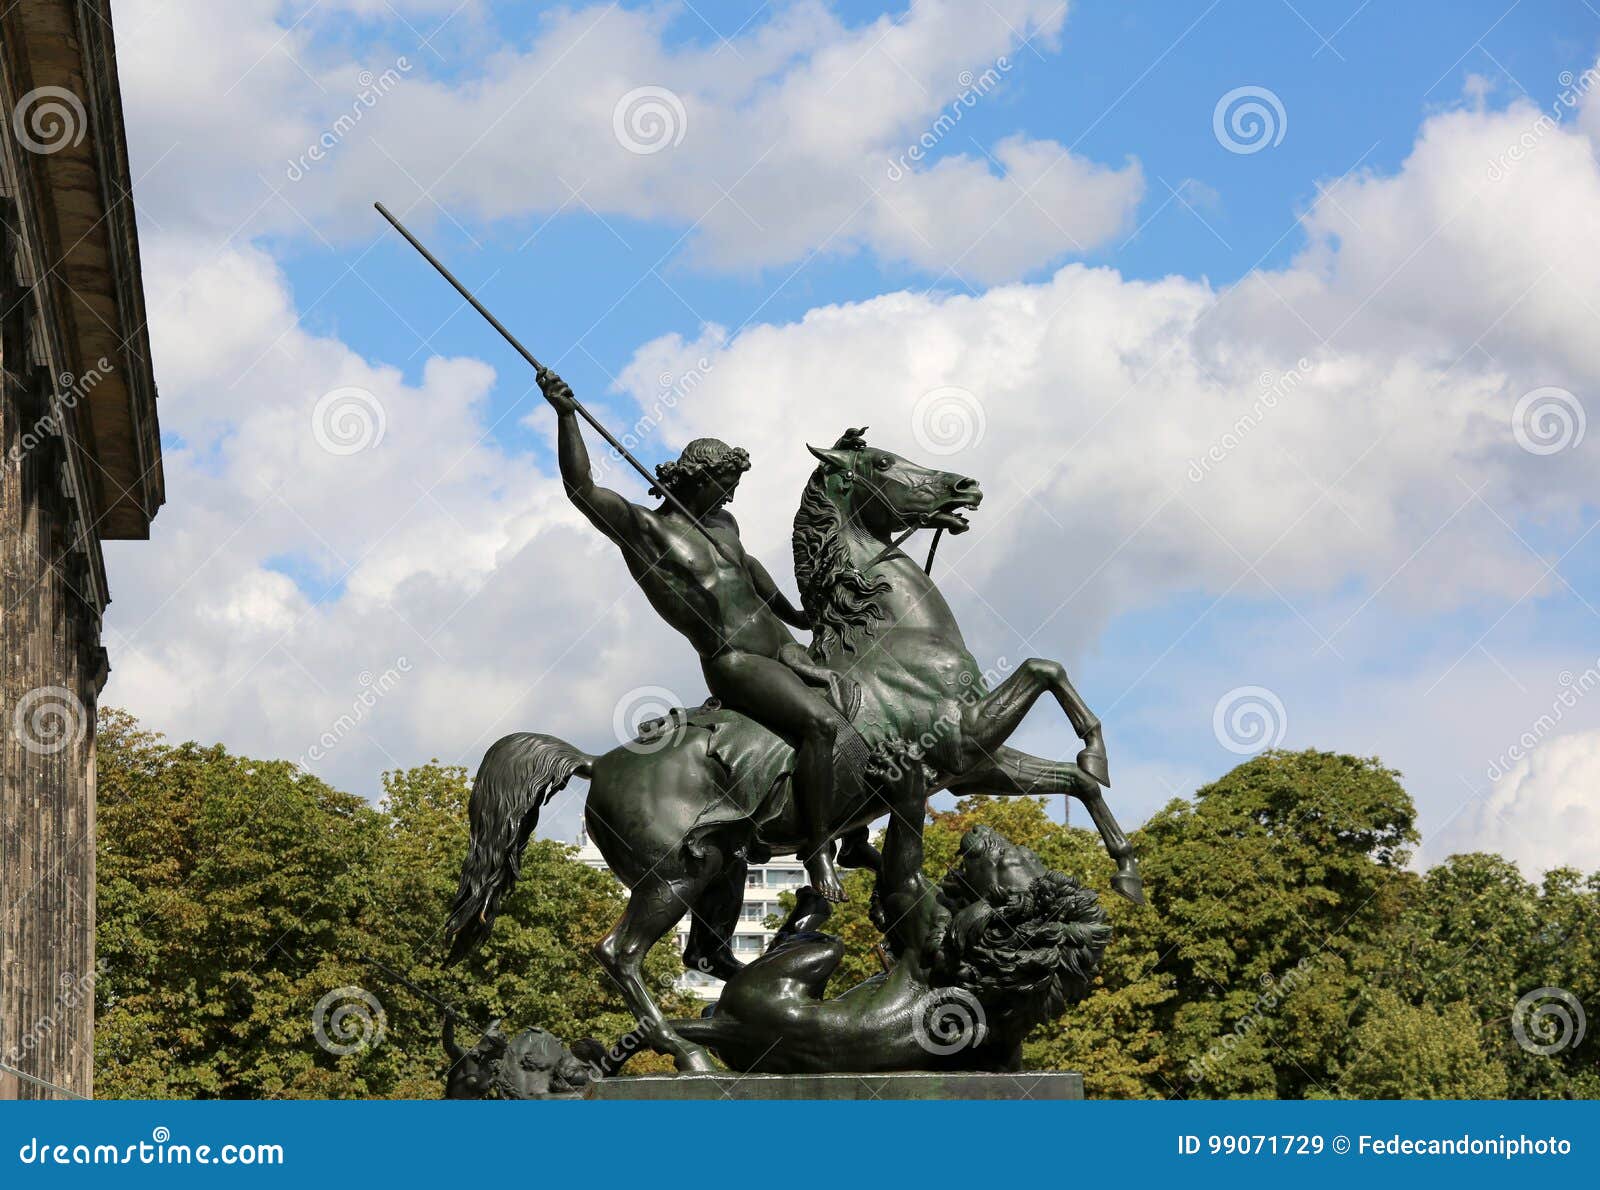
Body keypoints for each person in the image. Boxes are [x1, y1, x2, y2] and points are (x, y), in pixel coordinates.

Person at [539, 367, 860, 900]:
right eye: (725, 485)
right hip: (736, 662)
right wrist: (566, 414)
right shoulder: (646, 530)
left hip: (781, 646)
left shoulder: (723, 526)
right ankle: (819, 852)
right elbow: (581, 488)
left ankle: (855, 836)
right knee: (821, 727)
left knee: (863, 708)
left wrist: (799, 618)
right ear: (698, 478)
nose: (731, 496)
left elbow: (750, 573)